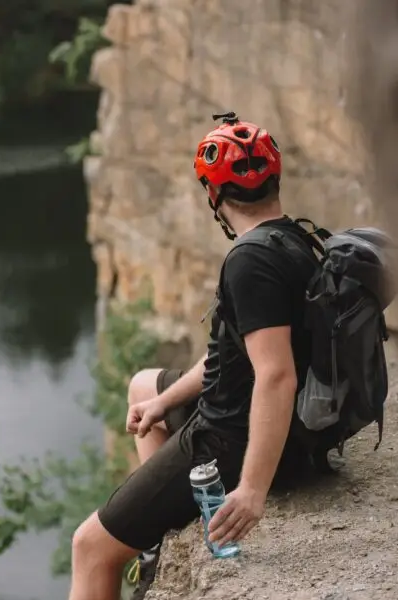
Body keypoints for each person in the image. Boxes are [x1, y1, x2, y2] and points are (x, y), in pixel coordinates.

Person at [69, 113, 320, 600]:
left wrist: (250, 490)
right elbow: (237, 358)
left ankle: (139, 535)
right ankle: (152, 543)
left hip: (228, 440)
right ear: (275, 179)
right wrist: (164, 403)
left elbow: (276, 376)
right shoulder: (295, 239)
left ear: (214, 195)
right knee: (145, 387)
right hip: (262, 420)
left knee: (89, 548)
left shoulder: (249, 262)